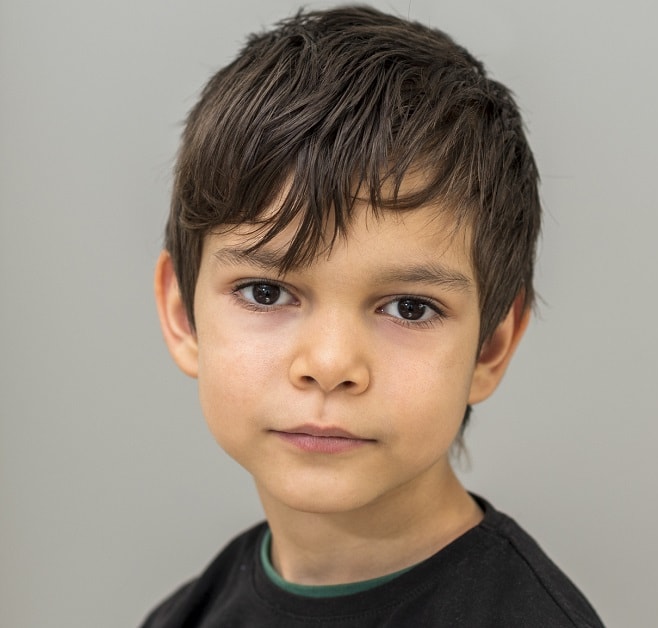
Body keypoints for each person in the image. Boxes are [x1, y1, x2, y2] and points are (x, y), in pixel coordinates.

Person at [144, 5, 604, 627]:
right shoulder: (187, 615)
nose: (330, 366)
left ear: (491, 346)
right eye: (265, 293)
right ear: (182, 314)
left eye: (409, 308)